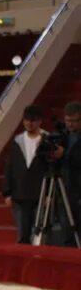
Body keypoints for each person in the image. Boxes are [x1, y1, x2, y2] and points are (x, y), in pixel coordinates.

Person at [2, 105, 48, 244]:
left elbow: (51, 168)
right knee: (23, 235)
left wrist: (49, 194)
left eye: (33, 120)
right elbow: (10, 166)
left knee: (39, 235)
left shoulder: (47, 139)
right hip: (20, 194)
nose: (29, 123)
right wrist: (7, 192)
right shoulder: (18, 141)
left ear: (40, 121)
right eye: (27, 120)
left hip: (40, 194)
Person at [51, 101, 81, 244]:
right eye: (67, 120)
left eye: (73, 121)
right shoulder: (62, 136)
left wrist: (65, 155)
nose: (69, 124)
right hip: (63, 189)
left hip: (79, 190)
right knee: (66, 233)